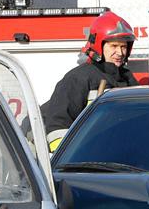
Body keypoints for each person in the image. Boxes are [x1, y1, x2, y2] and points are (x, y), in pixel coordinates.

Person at [40, 10, 138, 150]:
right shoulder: (79, 78)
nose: (120, 52)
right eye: (114, 46)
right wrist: (69, 161)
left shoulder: (128, 79)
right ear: (99, 45)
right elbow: (58, 126)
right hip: (87, 160)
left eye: (123, 46)